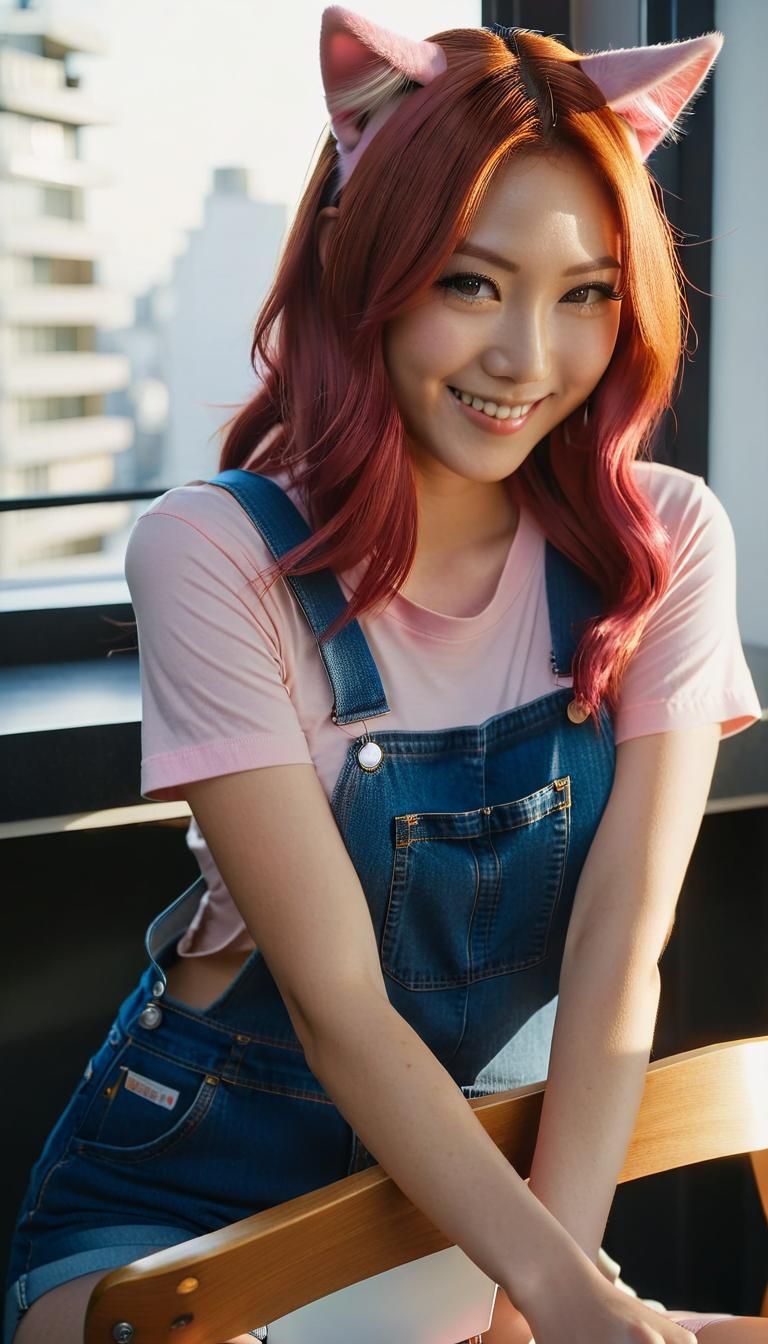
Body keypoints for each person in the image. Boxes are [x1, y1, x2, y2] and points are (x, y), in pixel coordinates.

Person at [5, 9, 765, 1344]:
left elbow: (616, 955)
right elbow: (336, 1002)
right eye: (473, 283)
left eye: (587, 292)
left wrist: (555, 1287)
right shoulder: (214, 552)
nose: (529, 360)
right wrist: (555, 1289)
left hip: (488, 1216)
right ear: (369, 266)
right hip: (189, 1211)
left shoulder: (669, 545)